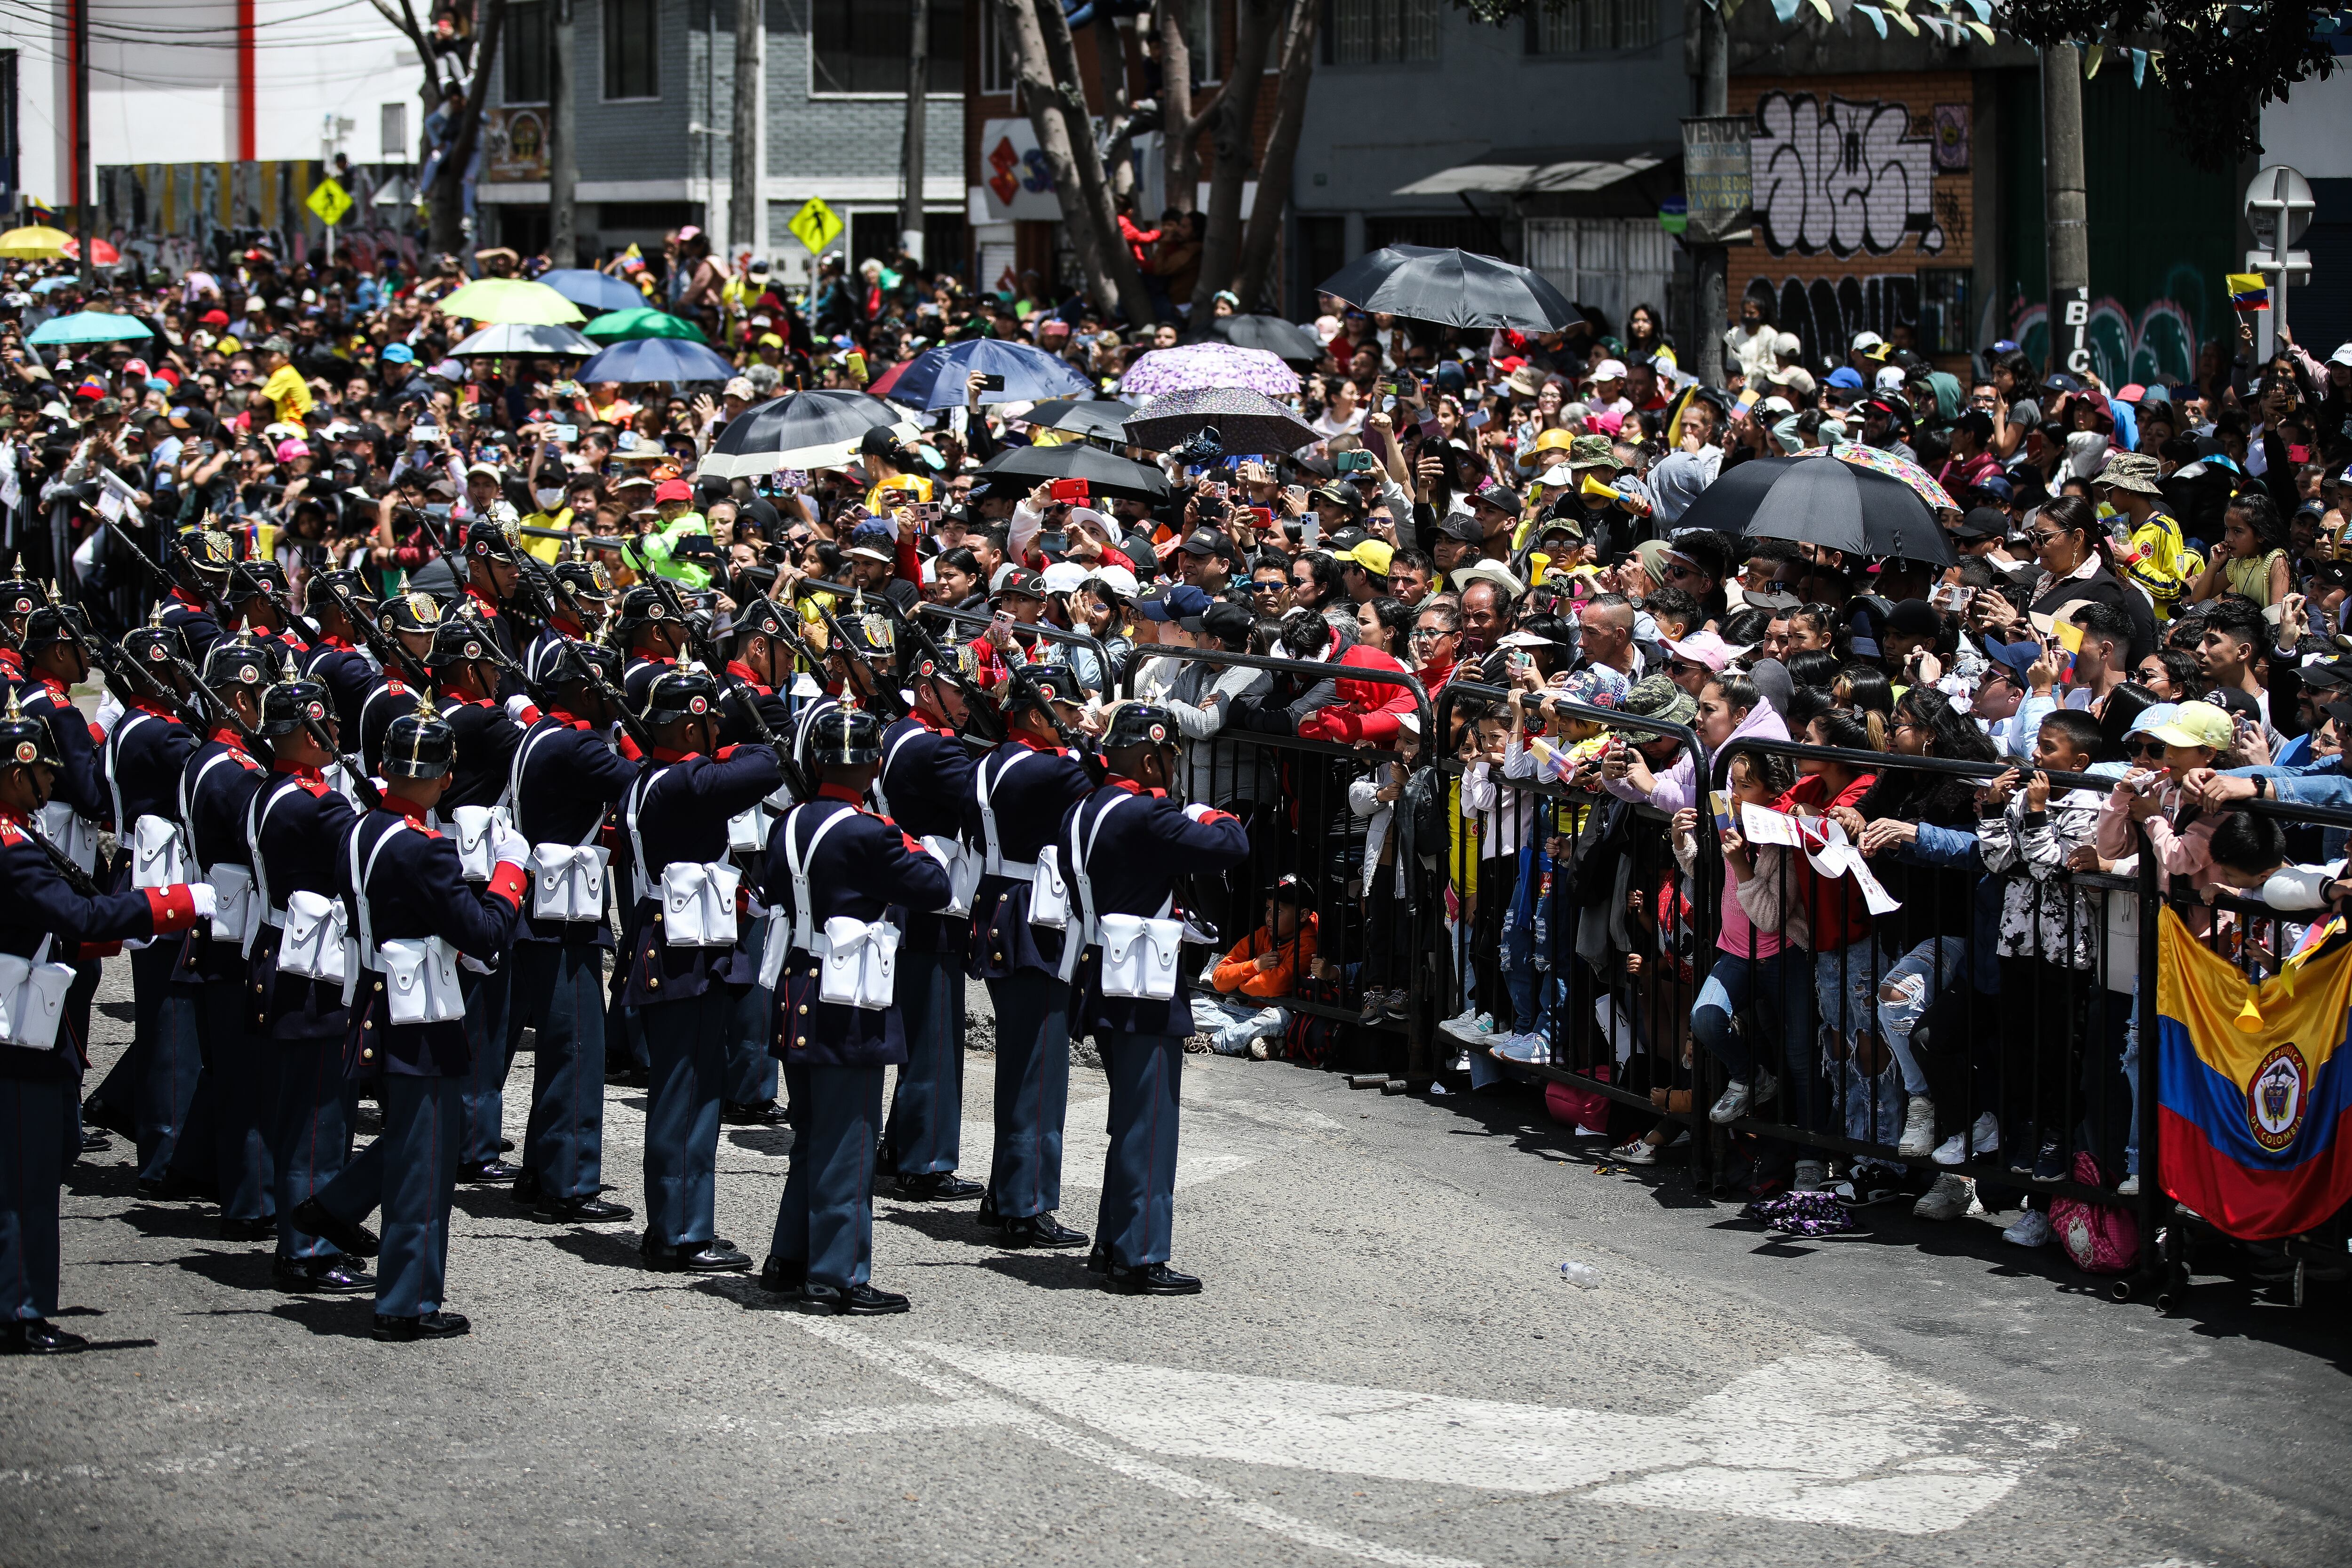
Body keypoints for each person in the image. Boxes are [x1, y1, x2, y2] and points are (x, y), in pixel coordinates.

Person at [0, 691, 210, 1354]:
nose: (51, 781)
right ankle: (19, 1311)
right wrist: (172, 903)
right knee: (30, 1175)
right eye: (42, 771)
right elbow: (78, 917)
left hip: (30, 1019)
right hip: (19, 1036)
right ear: (16, 773)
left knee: (42, 1159)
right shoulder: (12, 848)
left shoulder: (18, 836)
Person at [756, 705, 952, 1314]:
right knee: (850, 1142)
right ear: (873, 766)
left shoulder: (787, 823)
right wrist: (907, 838)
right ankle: (835, 1275)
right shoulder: (870, 833)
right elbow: (935, 886)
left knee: (812, 1133)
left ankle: (790, 1257)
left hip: (797, 988)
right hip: (848, 1001)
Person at [1059, 701, 1249, 1294]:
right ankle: (1137, 1254)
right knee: (1149, 1124)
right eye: (1169, 757)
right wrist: (1203, 810)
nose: (1173, 767)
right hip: (1142, 984)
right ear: (1149, 760)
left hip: (1097, 971)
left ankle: (1110, 1241)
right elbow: (1231, 844)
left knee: (1131, 1119)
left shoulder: (1082, 808)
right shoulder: (1145, 814)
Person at [615, 669, 785, 1273]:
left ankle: (675, 1222)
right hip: (684, 951)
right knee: (687, 1091)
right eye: (710, 722)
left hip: (676, 942)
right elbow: (768, 766)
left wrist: (726, 740)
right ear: (691, 726)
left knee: (686, 1086)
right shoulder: (685, 782)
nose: (717, 731)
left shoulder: (649, 776)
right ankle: (680, 1232)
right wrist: (740, 740)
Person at [242, 663, 373, 1294]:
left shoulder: (269, 790)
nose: (337, 735)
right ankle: (308, 1249)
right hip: (313, 969)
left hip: (282, 954)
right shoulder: (317, 805)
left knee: (302, 1112)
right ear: (308, 731)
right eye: (329, 727)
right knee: (319, 1120)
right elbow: (364, 856)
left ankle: (310, 1236)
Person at [502, 641, 639, 1225]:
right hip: (563, 918)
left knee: (563, 1050)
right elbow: (645, 785)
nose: (618, 705)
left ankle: (541, 1170)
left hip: (542, 908)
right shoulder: (578, 746)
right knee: (578, 1051)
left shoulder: (541, 733)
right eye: (610, 696)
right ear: (587, 692)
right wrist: (630, 738)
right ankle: (569, 1183)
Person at [961, 663, 1097, 1251]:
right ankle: (1026, 1204)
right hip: (1034, 919)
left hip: (996, 905)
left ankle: (1004, 1191)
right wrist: (1095, 734)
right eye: (1064, 711)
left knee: (1021, 1063)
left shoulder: (987, 762)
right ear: (1039, 713)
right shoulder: (1049, 769)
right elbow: (1107, 776)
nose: (1072, 720)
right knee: (1040, 1070)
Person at [872, 638, 985, 1202]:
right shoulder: (936, 749)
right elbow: (986, 797)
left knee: (920, 1028)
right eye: (956, 692)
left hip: (908, 889)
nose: (965, 703)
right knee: (935, 1035)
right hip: (933, 899)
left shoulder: (901, 732)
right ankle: (925, 1160)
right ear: (925, 689)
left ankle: (901, 1145)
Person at [1192, 878, 1318, 1059]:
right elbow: (1219, 979)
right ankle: (1260, 1039)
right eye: (1268, 908)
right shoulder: (1262, 934)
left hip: (1284, 1017)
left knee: (1279, 1018)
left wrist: (1240, 983)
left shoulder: (1308, 944)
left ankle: (1214, 1041)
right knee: (1193, 1007)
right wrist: (1255, 966)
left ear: (1303, 915)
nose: (1270, 917)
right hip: (1250, 1015)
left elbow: (1272, 986)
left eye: (1278, 911)